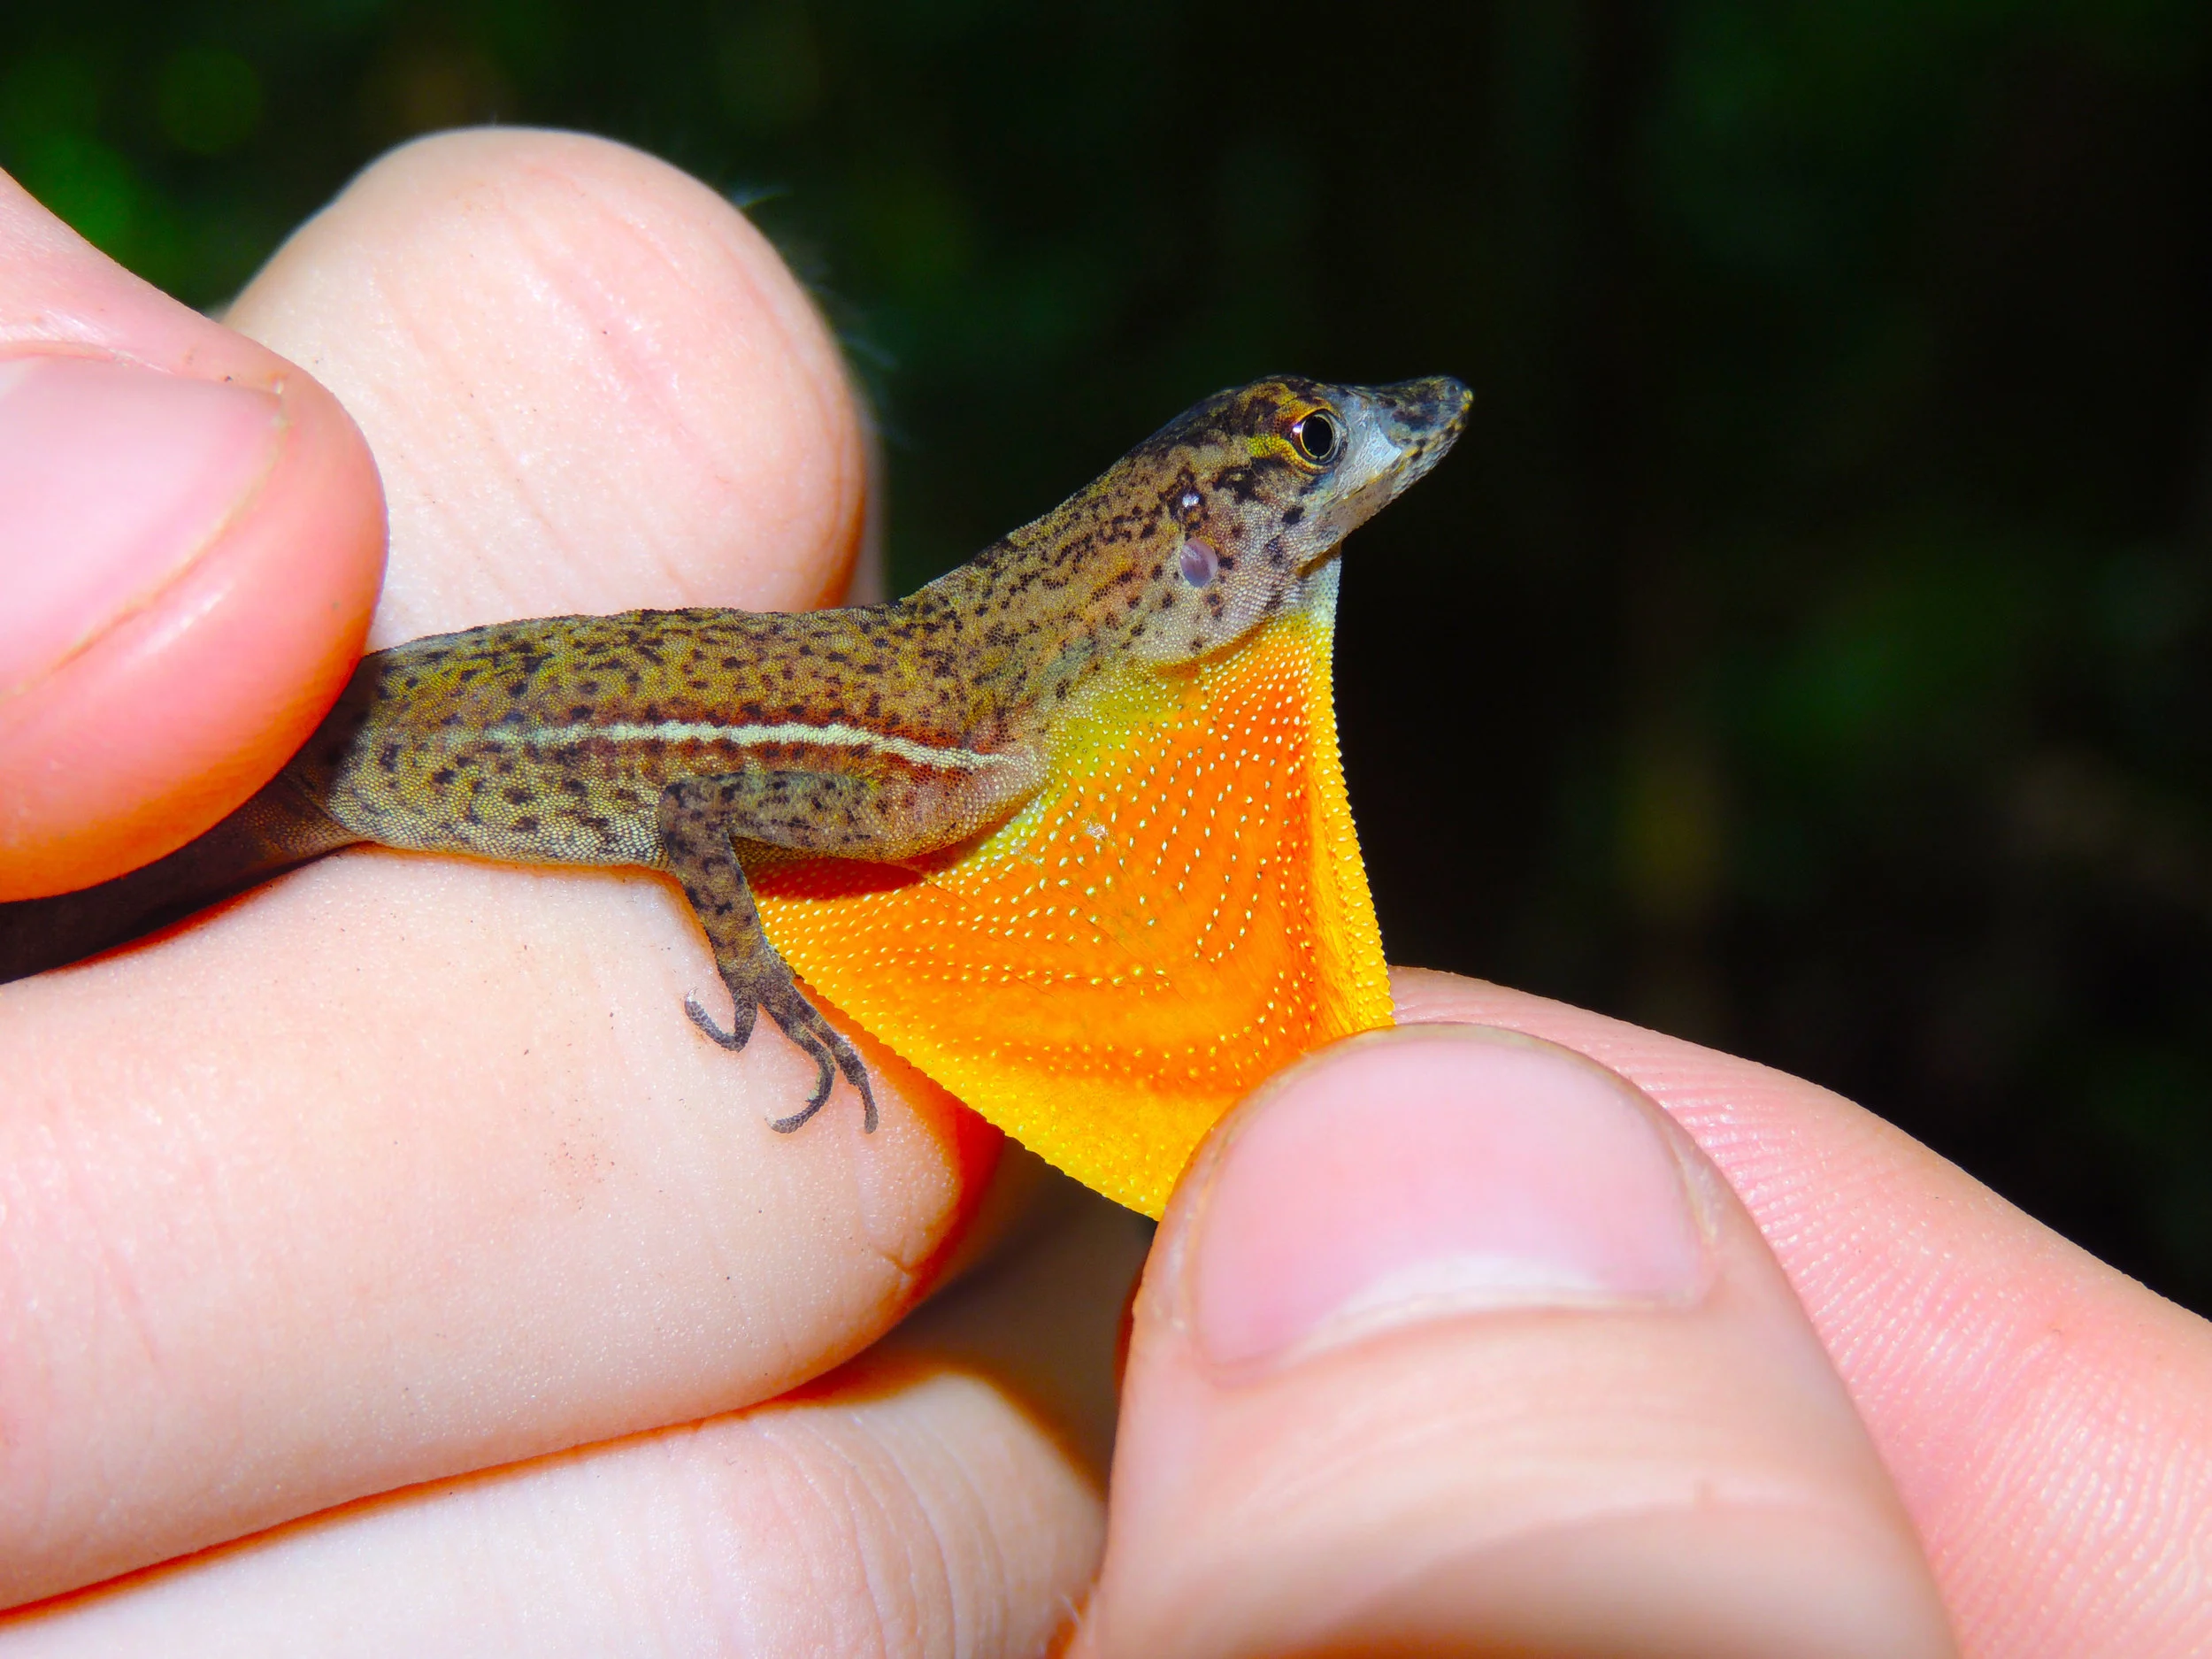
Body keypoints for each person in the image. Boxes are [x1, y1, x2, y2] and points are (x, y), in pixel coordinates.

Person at [1, 131, 2204, 1658]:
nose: (1373, 450)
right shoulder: (952, 731)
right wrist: (765, 977)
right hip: (336, 766)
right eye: (1304, 458)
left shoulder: (985, 715)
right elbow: (696, 806)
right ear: (1187, 554)